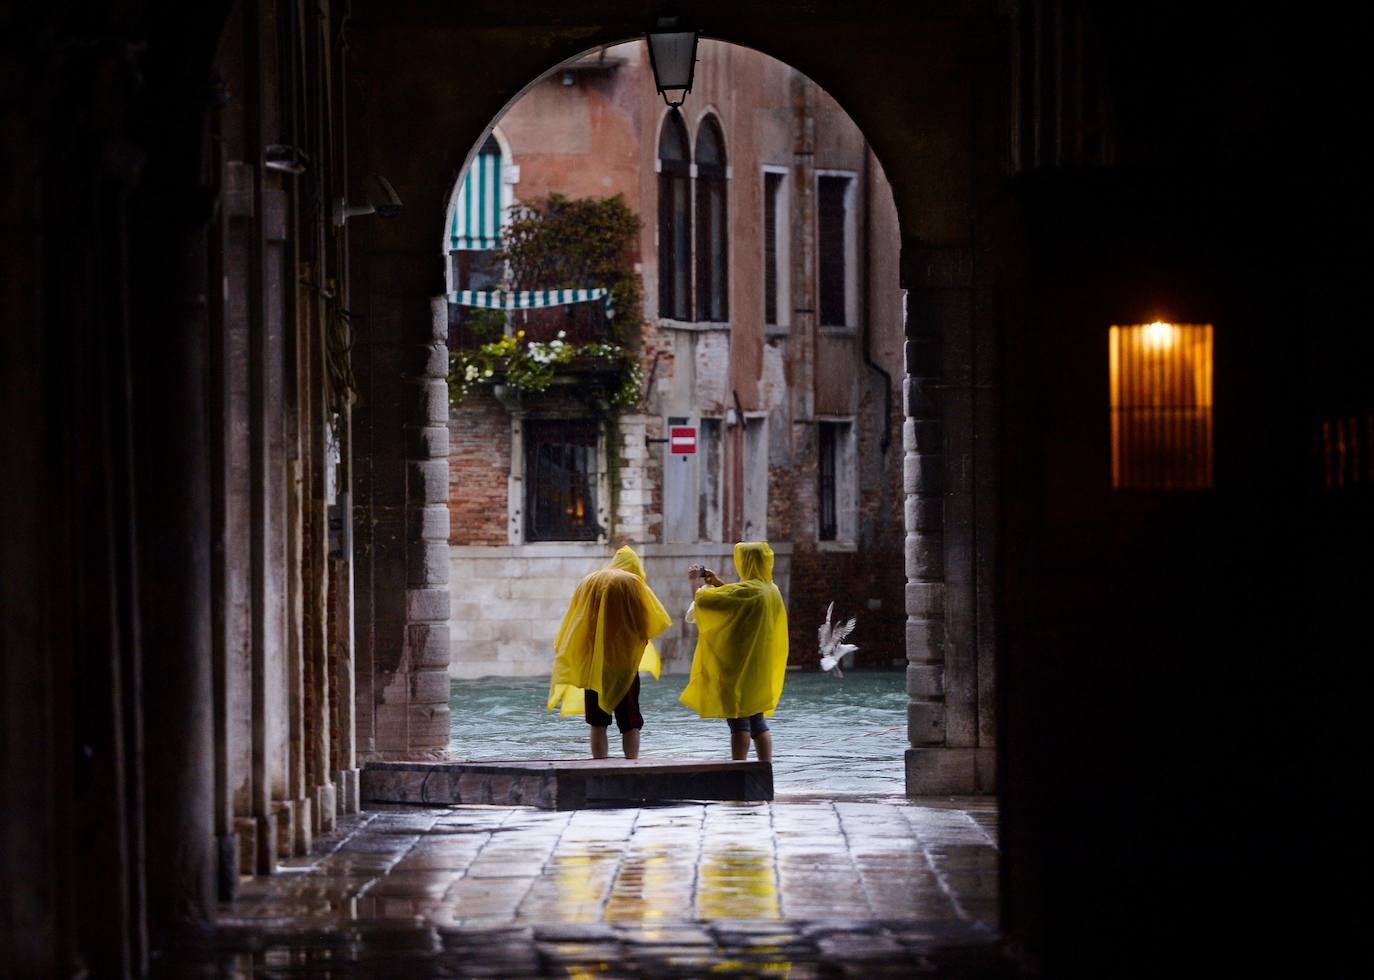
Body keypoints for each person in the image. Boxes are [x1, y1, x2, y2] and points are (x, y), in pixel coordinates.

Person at [547, 545, 671, 759]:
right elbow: (650, 621)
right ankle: (632, 765)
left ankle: (599, 765)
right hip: (622, 663)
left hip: (593, 663)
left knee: (597, 722)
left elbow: (576, 619)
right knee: (630, 721)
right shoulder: (631, 582)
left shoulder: (589, 581)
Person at [680, 541, 789, 762]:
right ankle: (764, 770)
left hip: (738, 664)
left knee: (738, 718)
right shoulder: (771, 590)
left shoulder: (746, 592)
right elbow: (736, 597)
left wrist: (695, 583)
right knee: (757, 719)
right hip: (760, 666)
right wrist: (718, 582)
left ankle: (739, 772)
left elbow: (704, 601)